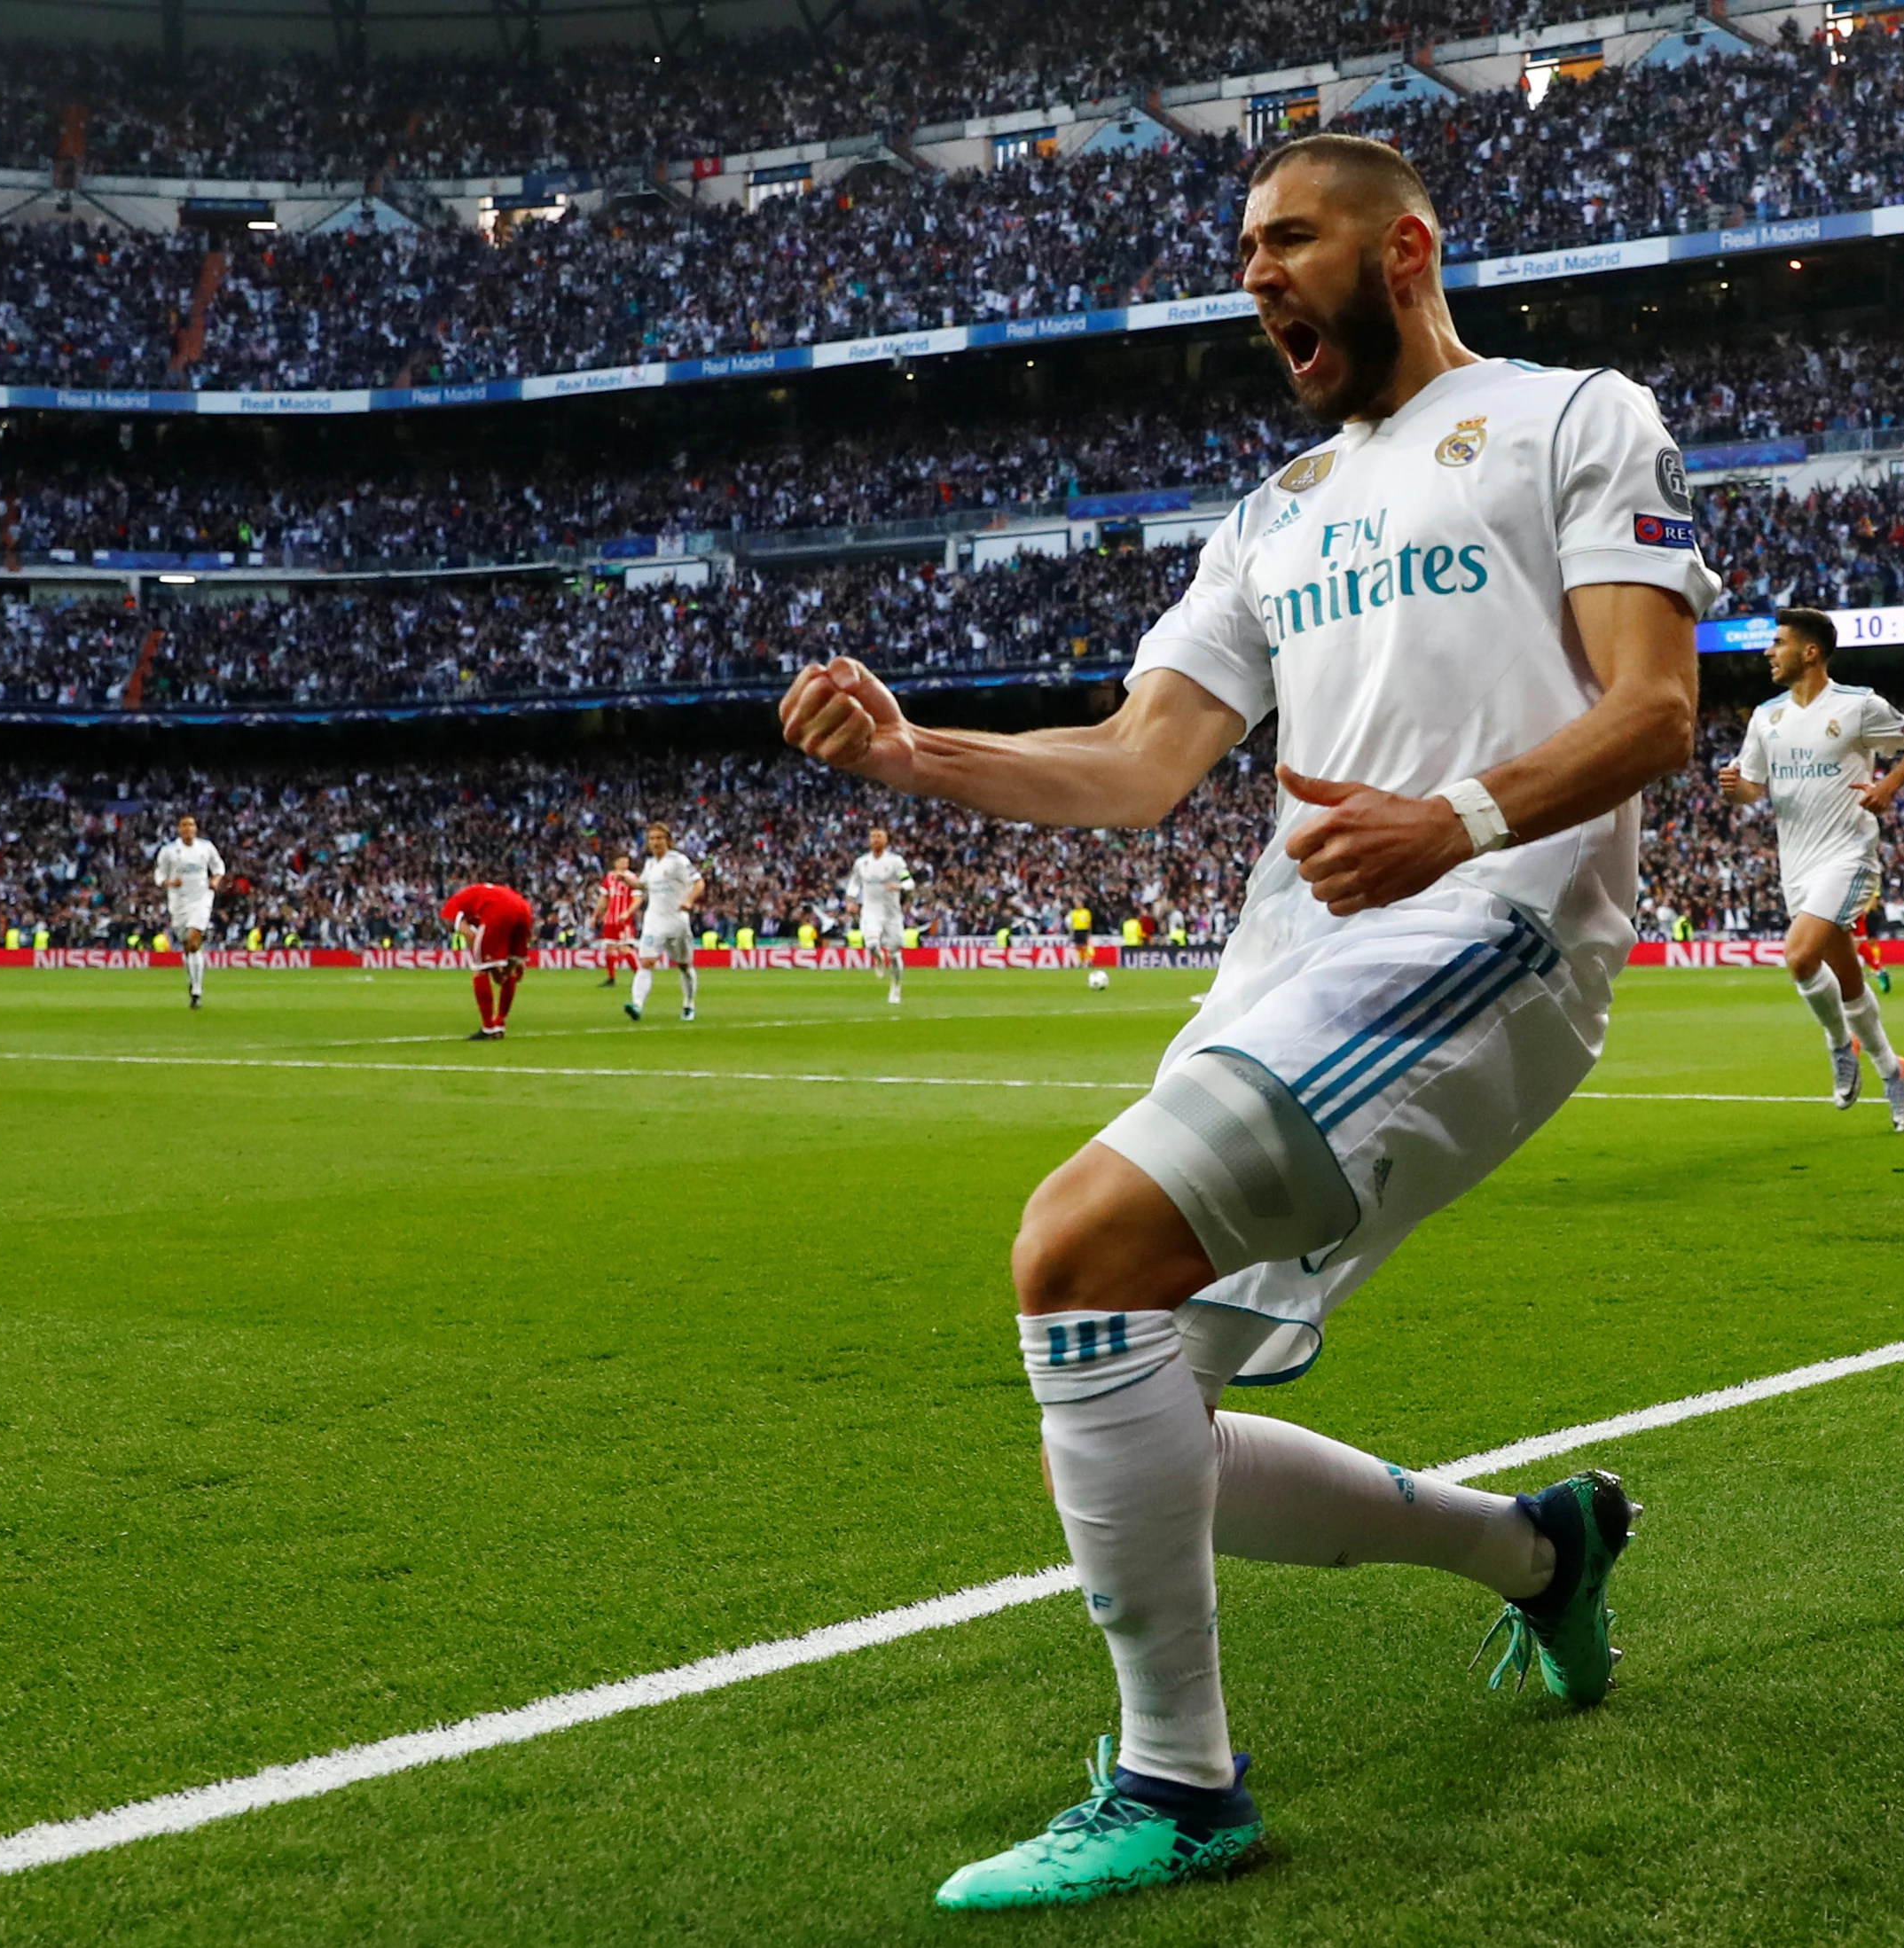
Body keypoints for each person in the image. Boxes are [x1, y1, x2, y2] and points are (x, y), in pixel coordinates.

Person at [776, 131, 1707, 1912]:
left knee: (1075, 1247)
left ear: (1405, 250)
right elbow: (1138, 765)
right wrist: (915, 753)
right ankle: (1541, 1551)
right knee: (1141, 1411)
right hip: (1299, 958)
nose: (1257, 272)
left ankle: (1180, 1785)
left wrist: (1460, 820)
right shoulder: (1275, 513)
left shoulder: (1573, 416)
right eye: (1245, 247)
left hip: (1489, 929)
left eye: (1290, 238)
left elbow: (1656, 709)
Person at [1714, 607, 1904, 1129]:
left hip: (1848, 853)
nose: (1768, 652)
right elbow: (1753, 788)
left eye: (1778, 642)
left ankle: (1840, 1044)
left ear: (1810, 652)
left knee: (1797, 956)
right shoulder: (1765, 717)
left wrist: (1886, 787)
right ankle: (1892, 1070)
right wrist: (1734, 790)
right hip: (1797, 862)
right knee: (1848, 978)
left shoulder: (1859, 706)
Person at [631, 823, 706, 1021]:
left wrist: (689, 900)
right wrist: (627, 881)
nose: (655, 842)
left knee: (684, 965)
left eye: (659, 838)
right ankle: (637, 1005)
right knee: (646, 962)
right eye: (652, 838)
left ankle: (689, 1004)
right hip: (654, 920)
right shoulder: (650, 864)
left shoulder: (678, 861)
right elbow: (642, 885)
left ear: (668, 840)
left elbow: (699, 882)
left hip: (677, 921)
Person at [440, 881, 535, 1039]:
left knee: (479, 969)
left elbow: (470, 935)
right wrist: (515, 961)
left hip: (499, 910)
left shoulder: (451, 907)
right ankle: (500, 1023)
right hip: (523, 908)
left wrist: (485, 962)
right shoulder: (477, 896)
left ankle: (488, 1027)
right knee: (506, 973)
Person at [152, 814, 224, 1009]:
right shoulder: (169, 851)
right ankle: (193, 980)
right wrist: (168, 882)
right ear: (179, 829)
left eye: (191, 825)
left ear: (196, 828)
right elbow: (159, 874)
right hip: (178, 902)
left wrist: (215, 880)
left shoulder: (206, 848)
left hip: (201, 898)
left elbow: (219, 867)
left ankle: (197, 991)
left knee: (194, 940)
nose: (188, 828)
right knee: (187, 946)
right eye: (184, 825)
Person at [842, 825, 916, 1005]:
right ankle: (878, 958)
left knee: (895, 951)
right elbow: (853, 884)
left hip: (892, 913)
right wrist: (850, 901)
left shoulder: (896, 861)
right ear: (869, 841)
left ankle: (896, 987)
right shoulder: (861, 863)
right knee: (872, 944)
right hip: (871, 910)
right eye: (873, 837)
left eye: (879, 836)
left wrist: (898, 886)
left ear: (886, 840)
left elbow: (910, 883)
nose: (876, 839)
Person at [595, 856, 643, 990]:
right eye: (622, 861)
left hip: (624, 920)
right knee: (609, 948)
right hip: (610, 919)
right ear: (615, 863)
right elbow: (603, 898)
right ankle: (611, 978)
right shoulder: (609, 877)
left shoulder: (632, 878)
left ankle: (640, 976)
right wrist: (596, 915)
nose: (625, 864)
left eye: (627, 862)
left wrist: (628, 912)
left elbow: (638, 899)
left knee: (624, 948)